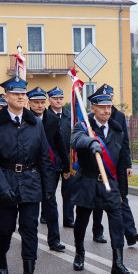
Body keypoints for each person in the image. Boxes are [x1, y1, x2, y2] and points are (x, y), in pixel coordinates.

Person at [0, 77, 49, 274]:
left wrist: (48, 188)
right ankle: (0, 253)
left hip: (30, 181)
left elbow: (43, 157)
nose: (21, 97)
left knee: (30, 229)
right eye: (16, 94)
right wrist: (2, 188)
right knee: (5, 228)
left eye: (24, 94)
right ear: (6, 98)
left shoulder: (36, 123)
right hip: (5, 180)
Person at [70, 85, 135, 274]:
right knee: (82, 220)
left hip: (111, 185)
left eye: (109, 106)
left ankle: (118, 264)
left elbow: (122, 159)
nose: (107, 111)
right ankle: (80, 253)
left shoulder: (117, 128)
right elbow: (76, 141)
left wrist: (122, 191)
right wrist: (91, 143)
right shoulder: (83, 127)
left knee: (116, 223)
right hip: (88, 181)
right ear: (93, 108)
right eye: (102, 107)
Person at [91, 97, 138, 247]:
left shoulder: (119, 117)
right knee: (97, 203)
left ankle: (131, 233)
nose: (107, 108)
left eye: (110, 100)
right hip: (98, 168)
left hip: (115, 167)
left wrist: (127, 164)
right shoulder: (90, 120)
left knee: (122, 198)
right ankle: (97, 230)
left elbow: (124, 143)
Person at [28, 87, 70, 252]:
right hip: (29, 169)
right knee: (30, 207)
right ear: (29, 103)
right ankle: (28, 236)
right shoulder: (24, 118)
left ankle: (54, 240)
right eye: (36, 102)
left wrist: (66, 166)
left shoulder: (52, 119)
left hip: (48, 169)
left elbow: (60, 143)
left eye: (42, 102)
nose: (39, 105)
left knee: (51, 204)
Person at [44, 87, 76, 229]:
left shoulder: (70, 116)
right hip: (50, 158)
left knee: (68, 191)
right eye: (55, 98)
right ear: (49, 100)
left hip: (67, 158)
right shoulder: (45, 116)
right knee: (49, 190)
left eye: (61, 98)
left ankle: (69, 219)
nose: (58, 101)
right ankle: (45, 215)